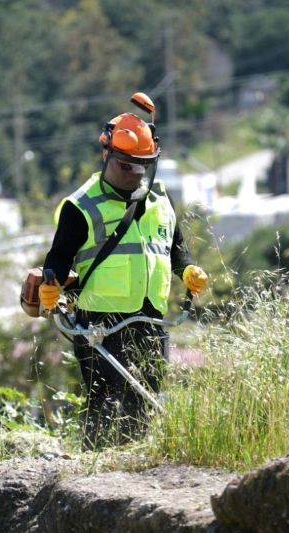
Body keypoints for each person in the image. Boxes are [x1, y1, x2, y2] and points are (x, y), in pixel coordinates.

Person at [39, 93, 208, 449]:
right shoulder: (81, 206)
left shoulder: (161, 200)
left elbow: (176, 247)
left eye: (142, 166)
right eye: (126, 166)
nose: (134, 174)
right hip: (100, 322)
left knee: (145, 402)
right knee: (104, 406)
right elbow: (58, 258)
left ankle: (136, 473)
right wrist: (50, 284)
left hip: (151, 318)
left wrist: (188, 268)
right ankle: (93, 475)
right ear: (107, 155)